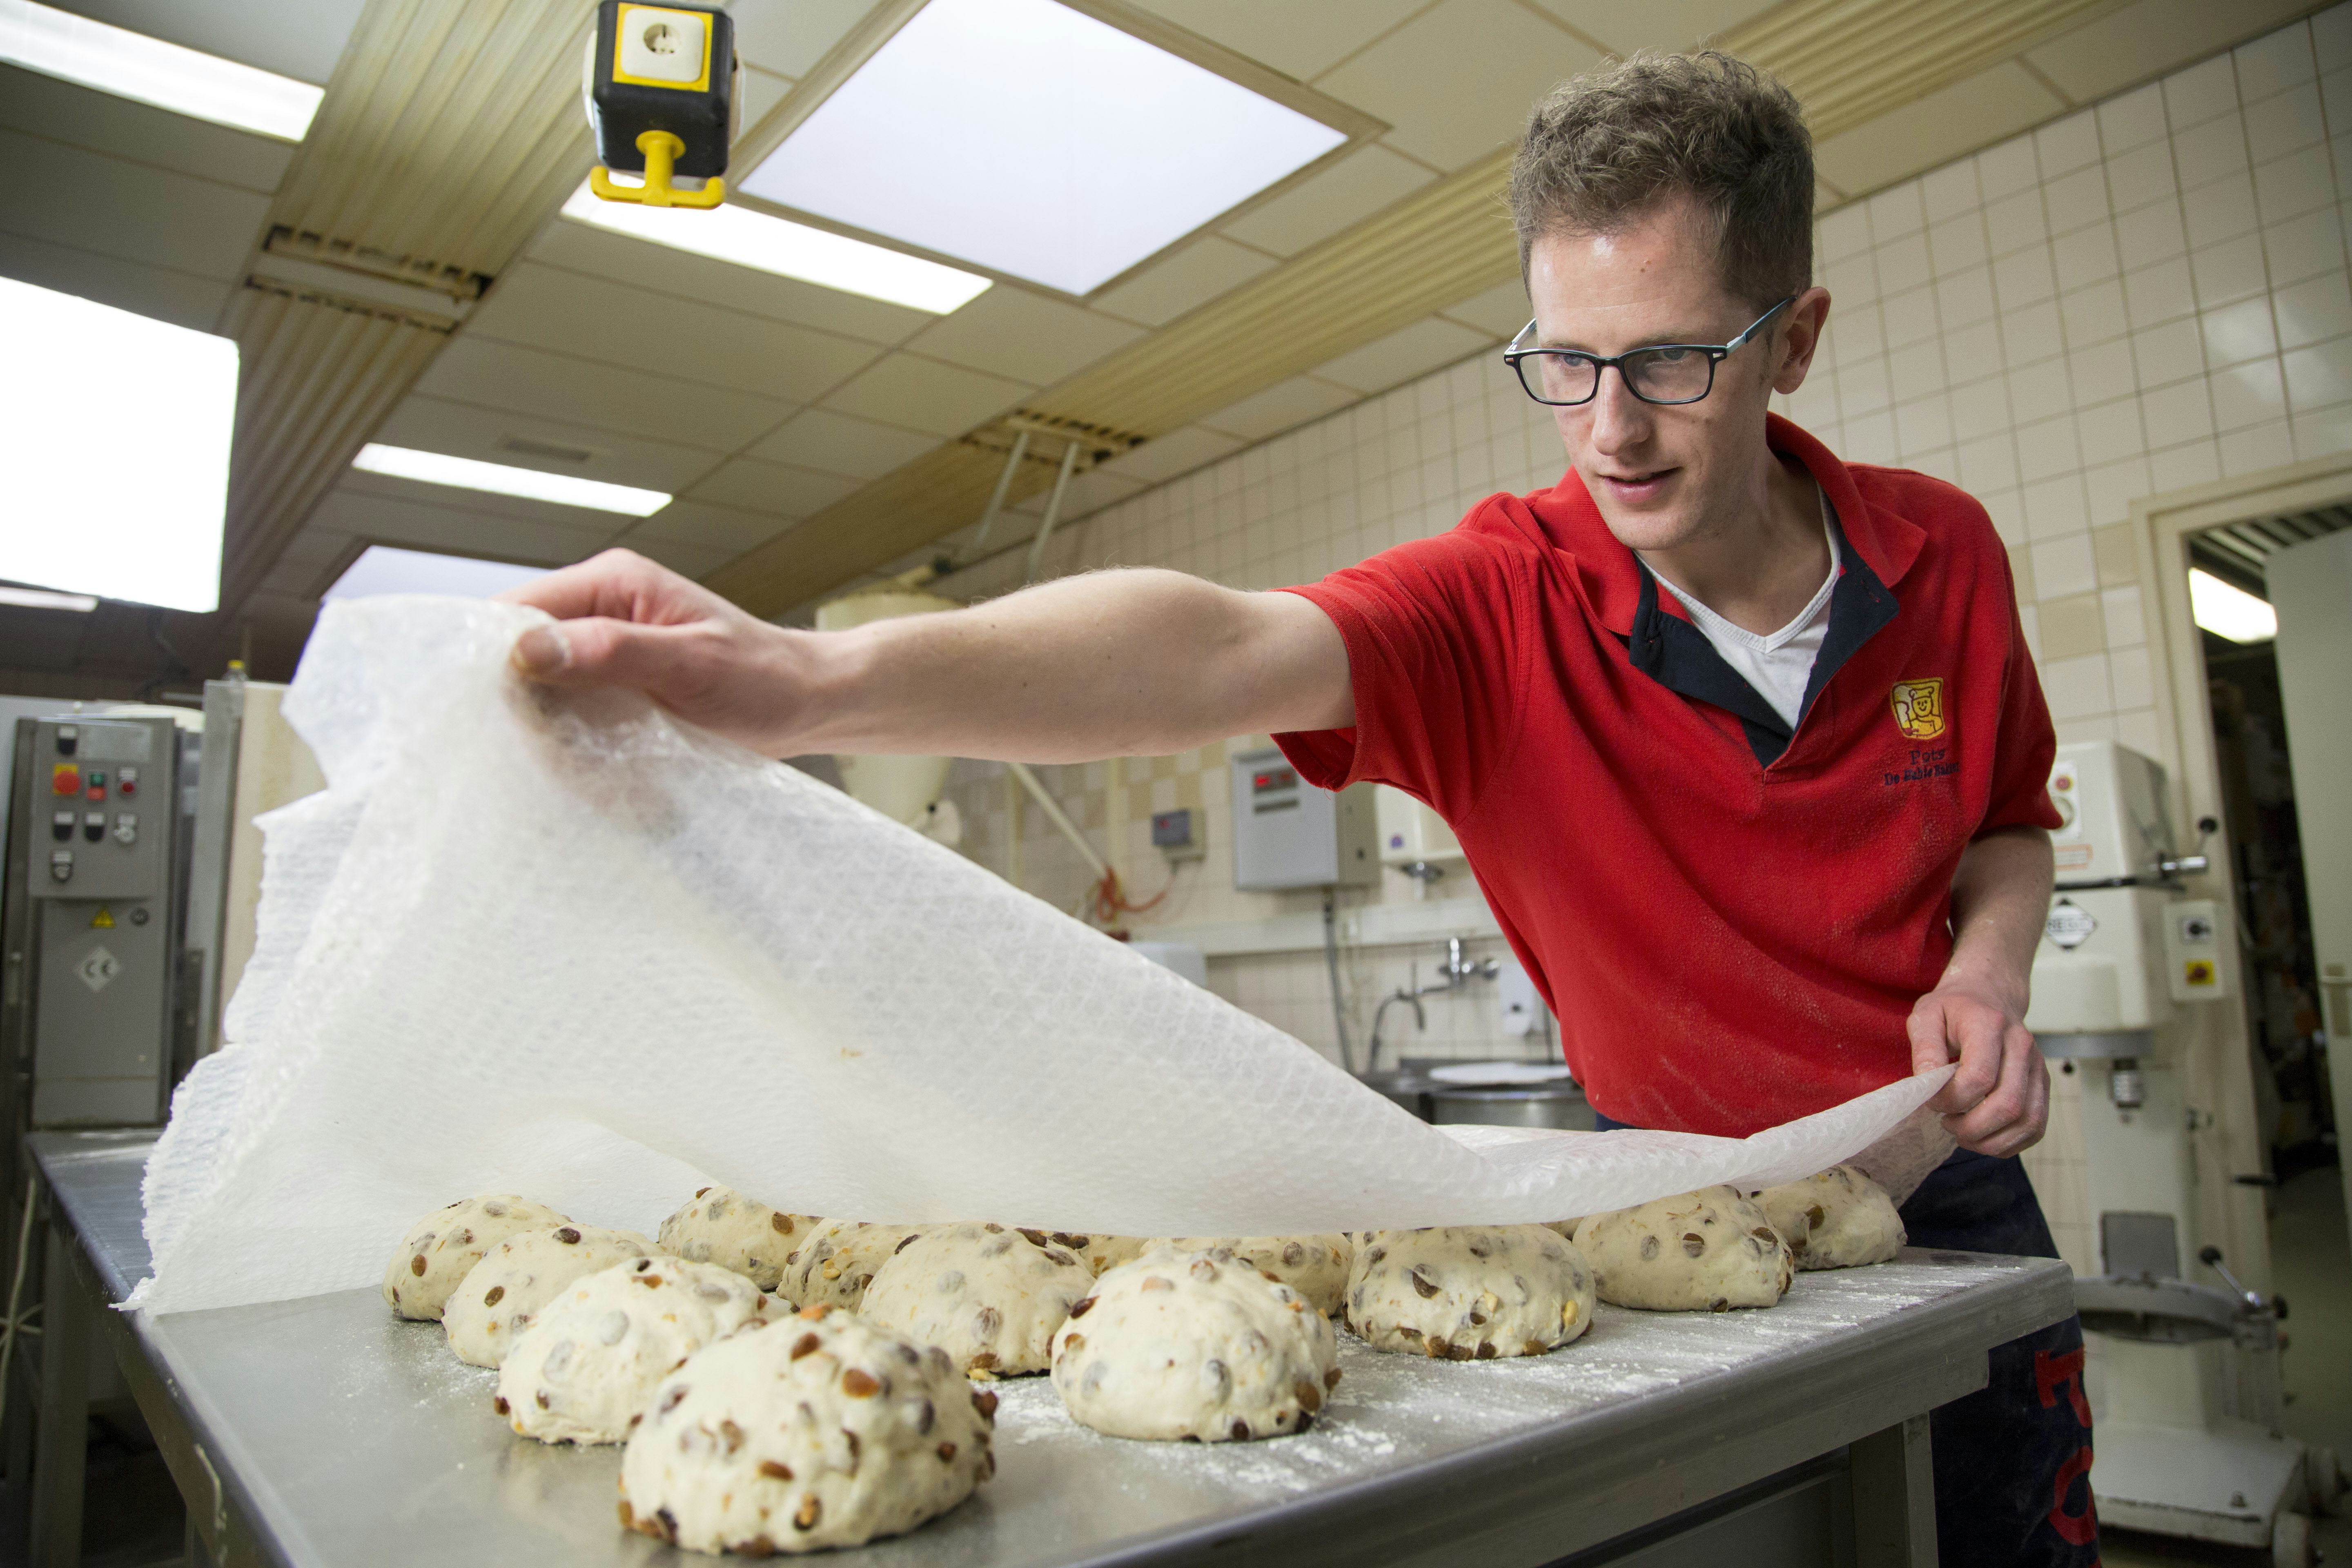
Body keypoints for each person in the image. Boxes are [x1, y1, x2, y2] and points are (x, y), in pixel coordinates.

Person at [503, 51, 2093, 1567]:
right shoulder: (1504, 606)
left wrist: (1986, 969)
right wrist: (812, 683)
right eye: (1564, 362)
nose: (1609, 428)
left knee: (2004, 1533)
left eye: (1671, 361)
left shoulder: (1939, 555)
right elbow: (1217, 645)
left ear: (1792, 338)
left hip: (1942, 1185)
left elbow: (2007, 822)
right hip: (1665, 1215)